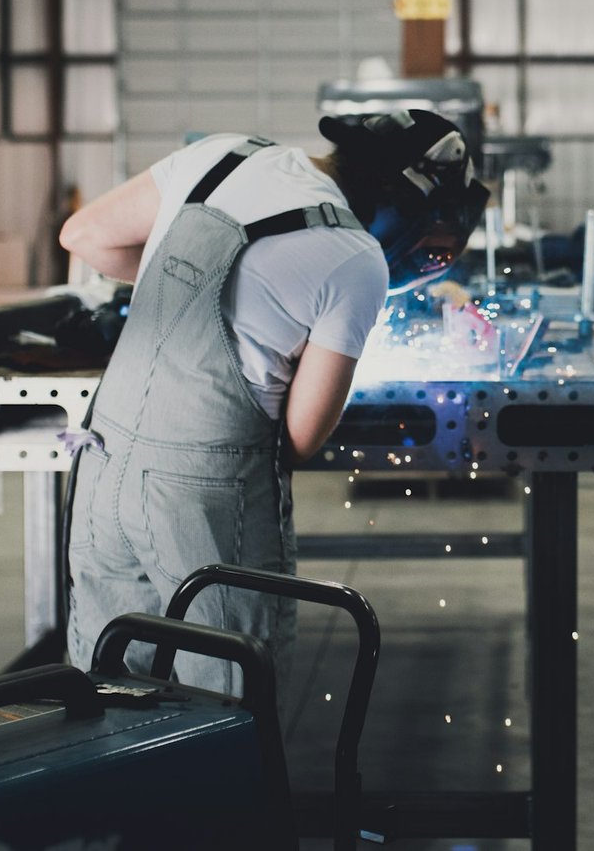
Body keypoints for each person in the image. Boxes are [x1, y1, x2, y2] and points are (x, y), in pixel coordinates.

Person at [59, 110, 487, 694]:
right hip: (205, 496)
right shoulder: (354, 256)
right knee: (224, 707)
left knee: (102, 695)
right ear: (401, 201)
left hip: (101, 468)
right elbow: (303, 437)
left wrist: (183, 298)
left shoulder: (221, 152)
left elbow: (82, 235)